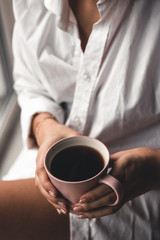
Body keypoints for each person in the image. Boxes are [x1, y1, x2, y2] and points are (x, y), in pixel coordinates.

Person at [1, 0, 160, 239]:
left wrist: (154, 169)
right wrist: (45, 127)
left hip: (145, 196)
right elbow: (29, 84)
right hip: (53, 191)